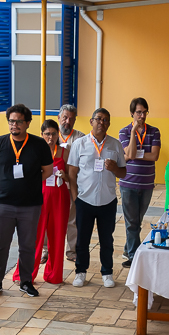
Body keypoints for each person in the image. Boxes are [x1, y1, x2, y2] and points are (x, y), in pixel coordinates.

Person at [0, 104, 54, 299]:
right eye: (11, 121)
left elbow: (48, 171)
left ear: (28, 123)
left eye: (18, 121)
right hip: (3, 203)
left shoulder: (39, 144)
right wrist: (8, 182)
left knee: (28, 246)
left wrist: (30, 182)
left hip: (30, 205)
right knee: (0, 245)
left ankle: (26, 281)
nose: (14, 125)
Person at [67, 108, 127, 289]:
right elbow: (72, 173)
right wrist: (76, 198)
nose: (102, 122)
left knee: (106, 240)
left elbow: (123, 173)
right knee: (82, 239)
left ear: (109, 124)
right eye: (99, 119)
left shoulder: (115, 145)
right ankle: (80, 272)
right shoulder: (79, 144)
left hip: (107, 201)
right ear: (91, 121)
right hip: (84, 200)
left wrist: (115, 168)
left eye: (106, 120)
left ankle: (107, 272)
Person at [14, 120, 69, 284]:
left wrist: (64, 175)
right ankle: (25, 274)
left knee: (57, 237)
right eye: (47, 134)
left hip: (59, 198)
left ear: (58, 134)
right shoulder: (35, 151)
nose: (50, 138)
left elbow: (71, 176)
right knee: (34, 236)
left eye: (53, 134)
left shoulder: (65, 152)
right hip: (39, 197)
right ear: (42, 135)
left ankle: (54, 274)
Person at [117, 97, 162, 268]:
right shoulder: (124, 131)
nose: (142, 116)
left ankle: (128, 247)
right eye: (138, 112)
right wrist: (134, 132)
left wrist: (135, 154)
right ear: (132, 113)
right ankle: (133, 255)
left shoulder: (154, 131)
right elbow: (128, 154)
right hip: (128, 183)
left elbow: (154, 156)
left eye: (144, 112)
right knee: (131, 222)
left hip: (147, 183)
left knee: (137, 219)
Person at [57, 104, 85, 263]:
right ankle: (46, 250)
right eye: (65, 118)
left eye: (71, 119)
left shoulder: (81, 138)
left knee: (72, 219)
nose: (67, 121)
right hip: (52, 184)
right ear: (59, 118)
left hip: (72, 183)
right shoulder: (51, 134)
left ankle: (71, 250)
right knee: (48, 217)